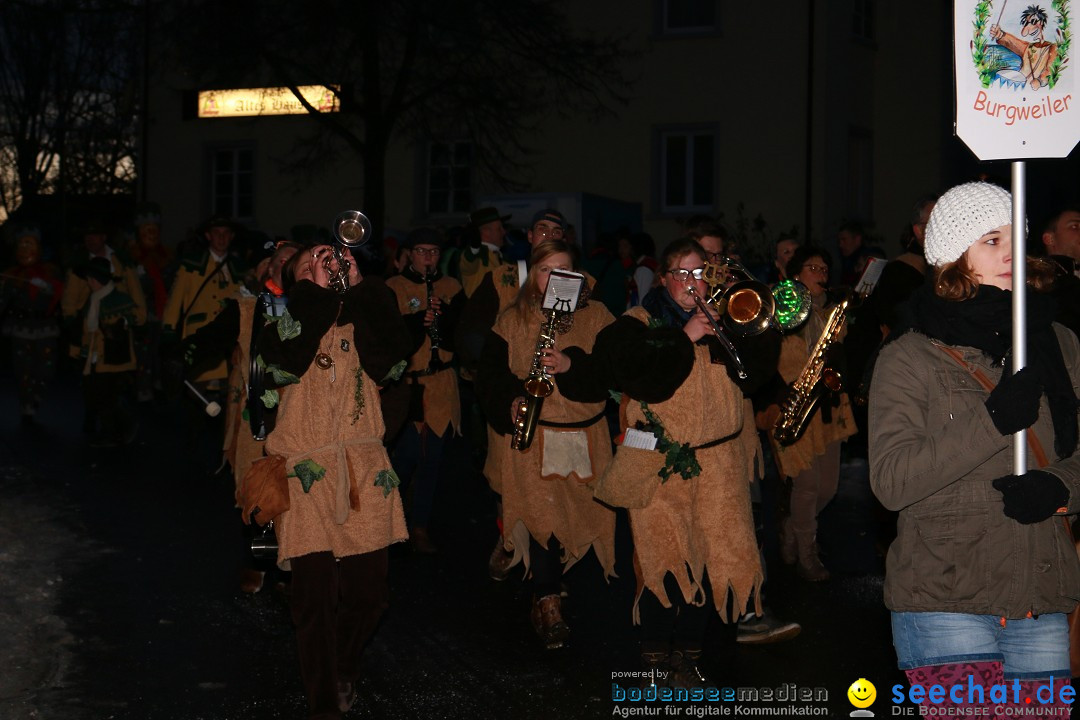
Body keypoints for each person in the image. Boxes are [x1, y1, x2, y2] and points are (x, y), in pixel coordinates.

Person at [870, 182, 1080, 711]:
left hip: (1040, 601)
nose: (1010, 251)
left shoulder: (1060, 342)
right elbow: (893, 481)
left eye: (1016, 236)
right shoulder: (911, 355)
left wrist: (1059, 485)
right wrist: (992, 420)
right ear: (953, 258)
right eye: (990, 239)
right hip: (945, 601)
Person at [588, 238, 764, 685]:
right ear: (664, 278)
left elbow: (757, 377)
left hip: (719, 462)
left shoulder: (724, 321)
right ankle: (653, 657)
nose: (692, 283)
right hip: (660, 460)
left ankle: (688, 653)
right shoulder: (637, 322)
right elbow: (638, 376)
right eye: (683, 274)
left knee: (709, 558)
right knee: (664, 558)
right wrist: (685, 336)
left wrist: (734, 330)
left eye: (700, 273)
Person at [256, 242, 412, 719]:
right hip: (306, 473)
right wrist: (313, 293)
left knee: (370, 596)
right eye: (310, 266)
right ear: (292, 282)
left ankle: (343, 666)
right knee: (314, 599)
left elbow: (394, 363)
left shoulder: (361, 319)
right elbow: (282, 363)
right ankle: (324, 702)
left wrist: (362, 288)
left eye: (333, 263)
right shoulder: (279, 323)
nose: (325, 269)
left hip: (364, 471)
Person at [475, 238, 616, 649]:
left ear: (579, 275)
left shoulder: (599, 316)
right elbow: (489, 377)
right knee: (542, 519)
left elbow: (609, 375)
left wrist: (571, 365)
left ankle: (551, 582)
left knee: (575, 517)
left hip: (584, 435)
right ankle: (548, 600)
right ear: (532, 275)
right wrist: (511, 401)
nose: (554, 278)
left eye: (564, 270)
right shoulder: (512, 318)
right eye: (544, 269)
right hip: (534, 436)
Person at [184, 239, 301, 593]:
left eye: (297, 260)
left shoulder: (315, 308)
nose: (288, 265)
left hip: (300, 413)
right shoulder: (245, 308)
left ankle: (292, 567)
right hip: (256, 414)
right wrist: (183, 352)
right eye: (281, 260)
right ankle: (260, 561)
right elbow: (211, 338)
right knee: (257, 490)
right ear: (268, 267)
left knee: (297, 489)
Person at [767, 246, 857, 581]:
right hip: (794, 405)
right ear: (795, 275)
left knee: (828, 489)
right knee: (806, 487)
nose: (820, 274)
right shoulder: (781, 310)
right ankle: (808, 554)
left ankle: (792, 527)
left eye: (824, 269)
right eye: (812, 267)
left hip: (826, 410)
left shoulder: (832, 314)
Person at [386, 227, 465, 553]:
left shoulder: (451, 287)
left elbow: (461, 333)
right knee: (404, 456)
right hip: (408, 384)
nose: (428, 257)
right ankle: (386, 515)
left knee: (432, 459)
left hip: (441, 384)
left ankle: (419, 526)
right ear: (410, 254)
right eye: (421, 250)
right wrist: (418, 320)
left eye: (434, 251)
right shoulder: (395, 287)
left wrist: (443, 320)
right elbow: (390, 338)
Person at [0, 223, 63, 425]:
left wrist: (47, 288)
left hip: (45, 327)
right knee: (22, 370)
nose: (26, 250)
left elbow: (62, 294)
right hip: (21, 328)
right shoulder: (12, 275)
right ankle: (27, 406)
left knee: (47, 368)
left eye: (30, 245)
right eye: (22, 246)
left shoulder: (50, 271)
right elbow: (3, 301)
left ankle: (37, 395)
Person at [73, 257, 140, 446]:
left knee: (107, 398)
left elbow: (134, 319)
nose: (88, 283)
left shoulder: (120, 299)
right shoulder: (92, 299)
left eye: (90, 279)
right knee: (97, 396)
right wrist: (80, 352)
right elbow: (87, 330)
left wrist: (119, 326)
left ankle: (118, 430)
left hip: (113, 359)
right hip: (94, 359)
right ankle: (111, 431)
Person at [128, 202, 173, 403]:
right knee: (142, 353)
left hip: (161, 313)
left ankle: (157, 382)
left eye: (154, 230)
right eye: (147, 231)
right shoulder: (132, 258)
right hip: (141, 314)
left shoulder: (167, 256)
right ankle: (142, 387)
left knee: (158, 352)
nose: (151, 234)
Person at [990, 5, 1059, 90]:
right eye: (1027, 23)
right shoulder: (1028, 47)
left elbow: (1050, 71)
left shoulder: (1053, 48)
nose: (1030, 27)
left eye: (1033, 21)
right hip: (1018, 87)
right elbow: (1011, 42)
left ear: (1041, 23)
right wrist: (999, 34)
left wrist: (1040, 81)